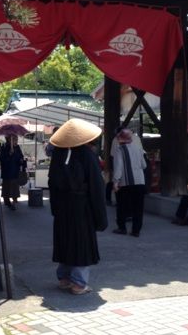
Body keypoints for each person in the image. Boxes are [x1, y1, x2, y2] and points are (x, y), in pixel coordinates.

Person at [48, 118, 108, 295]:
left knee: (65, 241)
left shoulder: (58, 155)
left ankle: (64, 278)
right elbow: (96, 186)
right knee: (81, 243)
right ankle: (79, 283)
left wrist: (55, 208)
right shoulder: (87, 155)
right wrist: (100, 216)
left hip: (62, 207)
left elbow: (52, 183)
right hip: (81, 207)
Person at [112, 128, 147, 237]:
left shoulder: (119, 150)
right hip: (140, 181)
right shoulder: (138, 148)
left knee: (122, 205)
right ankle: (136, 230)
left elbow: (118, 167)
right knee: (138, 207)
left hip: (125, 182)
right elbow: (144, 165)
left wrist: (115, 181)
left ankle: (122, 228)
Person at [0, 134, 25, 210]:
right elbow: (1, 159)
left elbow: (21, 156)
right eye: (14, 139)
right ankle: (6, 200)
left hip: (15, 169)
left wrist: (21, 160)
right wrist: (9, 154)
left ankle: (14, 199)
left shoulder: (17, 147)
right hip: (7, 170)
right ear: (9, 139)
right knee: (7, 186)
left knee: (15, 186)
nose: (16, 141)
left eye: (16, 139)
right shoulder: (4, 147)